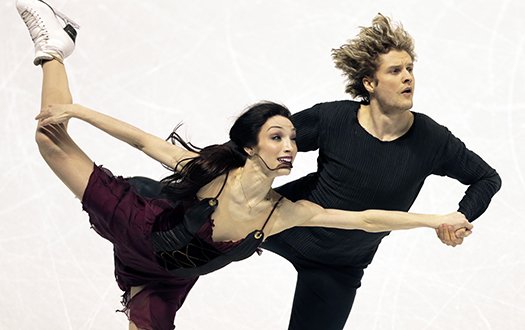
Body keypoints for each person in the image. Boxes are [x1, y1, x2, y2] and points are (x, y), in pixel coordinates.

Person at [16, 1, 475, 329]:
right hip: (134, 221)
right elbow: (143, 140)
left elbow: (367, 219)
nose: (291, 146)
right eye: (278, 137)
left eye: (294, 138)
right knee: (49, 138)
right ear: (252, 147)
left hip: (161, 278)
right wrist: (79, 111)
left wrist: (437, 220)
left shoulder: (284, 213)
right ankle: (55, 47)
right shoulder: (215, 171)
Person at [261, 13, 502, 330]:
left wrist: (461, 216)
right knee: (190, 241)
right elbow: (262, 141)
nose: (408, 78)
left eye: (410, 69)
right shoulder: (332, 118)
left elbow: (487, 178)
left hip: (340, 266)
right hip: (278, 223)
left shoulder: (431, 139)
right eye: (395, 70)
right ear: (369, 83)